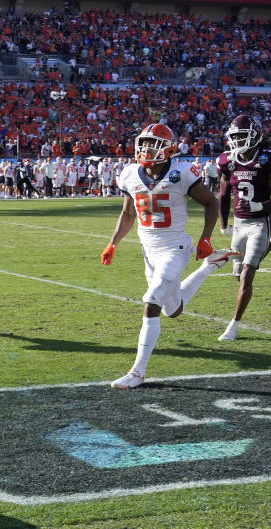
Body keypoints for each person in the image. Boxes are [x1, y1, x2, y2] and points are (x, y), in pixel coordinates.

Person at [101, 123, 239, 389]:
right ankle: (210, 267)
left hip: (175, 249)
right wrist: (113, 243)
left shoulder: (181, 173)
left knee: (150, 302)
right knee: (171, 310)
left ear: (168, 149)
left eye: (152, 144)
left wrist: (206, 237)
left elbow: (211, 202)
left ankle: (137, 373)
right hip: (148, 251)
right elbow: (128, 213)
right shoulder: (130, 173)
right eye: (143, 143)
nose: (145, 149)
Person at [217, 115, 271, 341]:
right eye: (234, 137)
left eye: (242, 136)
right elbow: (224, 194)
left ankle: (233, 326)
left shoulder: (267, 159)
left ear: (255, 135)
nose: (237, 141)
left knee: (246, 276)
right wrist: (224, 223)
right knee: (238, 275)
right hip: (239, 223)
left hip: (259, 222)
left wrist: (259, 205)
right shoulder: (227, 160)